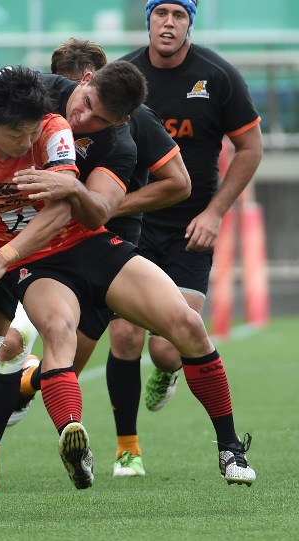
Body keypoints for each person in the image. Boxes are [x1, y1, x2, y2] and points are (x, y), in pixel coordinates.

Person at [0, 57, 255, 489]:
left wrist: (67, 194)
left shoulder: (83, 136)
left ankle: (229, 447)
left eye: (101, 119)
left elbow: (100, 207)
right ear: (79, 83)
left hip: (71, 243)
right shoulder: (6, 114)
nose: (83, 119)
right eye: (85, 104)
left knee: (185, 324)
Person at [0, 38, 191, 492]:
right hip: (38, 251)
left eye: (95, 112)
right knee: (12, 343)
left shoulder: (132, 121)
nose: (81, 119)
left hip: (102, 250)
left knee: (72, 365)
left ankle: (108, 439)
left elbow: (178, 184)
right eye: (75, 102)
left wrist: (102, 207)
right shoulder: (37, 118)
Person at [101, 0, 262, 475]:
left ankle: (168, 371)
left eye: (179, 15)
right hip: (136, 223)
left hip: (192, 229)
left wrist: (215, 213)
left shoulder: (217, 75)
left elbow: (250, 147)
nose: (168, 23)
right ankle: (127, 449)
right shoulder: (123, 75)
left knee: (169, 345)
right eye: (160, 13)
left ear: (191, 22)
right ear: (148, 19)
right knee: (126, 333)